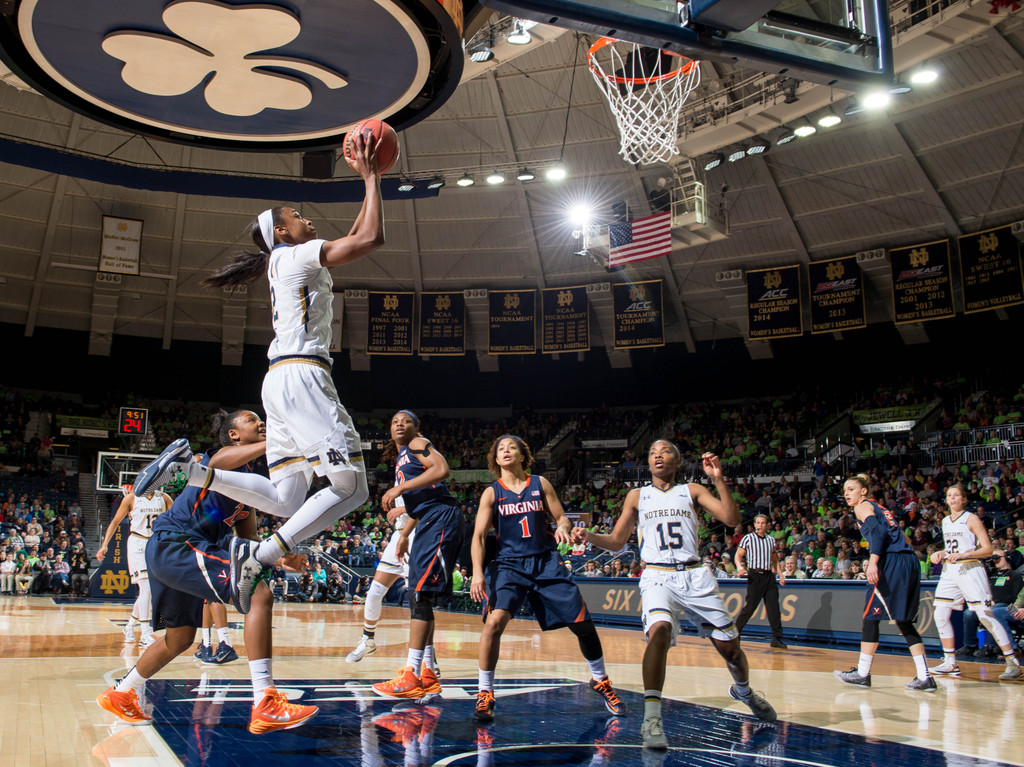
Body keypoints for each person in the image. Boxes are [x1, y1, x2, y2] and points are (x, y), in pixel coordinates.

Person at [130, 133, 384, 615]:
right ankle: (262, 555)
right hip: (305, 378)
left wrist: (366, 185)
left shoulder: (286, 258)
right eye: (293, 214)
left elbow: (355, 235)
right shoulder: (293, 256)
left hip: (280, 380)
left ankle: (191, 471)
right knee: (352, 486)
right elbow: (370, 239)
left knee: (288, 501)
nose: (303, 215)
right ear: (283, 233)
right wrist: (372, 177)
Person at [96, 410, 318, 734]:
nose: (260, 423)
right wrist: (276, 442)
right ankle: (265, 701)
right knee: (258, 592)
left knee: (180, 638)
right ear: (233, 435)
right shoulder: (221, 459)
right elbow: (213, 465)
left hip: (170, 551)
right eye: (251, 420)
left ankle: (123, 691)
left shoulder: (248, 491)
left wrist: (281, 559)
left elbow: (251, 542)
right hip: (178, 543)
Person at [574, 441, 776, 751]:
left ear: (677, 460)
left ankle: (744, 692)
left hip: (695, 575)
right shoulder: (636, 496)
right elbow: (617, 541)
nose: (657, 455)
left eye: (665, 451)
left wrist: (719, 479)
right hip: (656, 574)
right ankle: (652, 718)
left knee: (731, 651)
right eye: (652, 451)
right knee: (660, 633)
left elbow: (732, 519)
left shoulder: (692, 490)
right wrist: (588, 535)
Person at [470, 435, 625, 723]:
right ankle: (485, 692)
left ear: (522, 455)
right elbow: (479, 536)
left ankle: (600, 679)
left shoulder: (540, 483)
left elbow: (562, 517)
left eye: (511, 447)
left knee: (582, 624)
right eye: (500, 449)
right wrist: (478, 573)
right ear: (495, 458)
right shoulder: (492, 493)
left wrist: (563, 527)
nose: (506, 451)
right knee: (493, 623)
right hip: (509, 565)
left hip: (545, 562)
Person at [372, 410, 466, 701]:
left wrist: (399, 487)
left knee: (420, 593)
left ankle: (412, 674)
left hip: (441, 518)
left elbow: (441, 470)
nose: (400, 425)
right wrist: (402, 535)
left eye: (406, 421)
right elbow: (420, 503)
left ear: (417, 428)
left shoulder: (417, 444)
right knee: (419, 593)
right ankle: (427, 673)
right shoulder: (404, 456)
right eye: (395, 422)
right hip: (428, 519)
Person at [833, 474, 935, 691]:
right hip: (908, 559)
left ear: (863, 491)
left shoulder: (862, 507)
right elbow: (902, 537)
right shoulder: (880, 508)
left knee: (870, 617)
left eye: (851, 489)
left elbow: (878, 535)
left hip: (891, 562)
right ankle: (925, 676)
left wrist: (873, 562)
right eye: (844, 491)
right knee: (903, 621)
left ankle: (862, 673)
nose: (846, 494)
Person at [929, 485, 1022, 679]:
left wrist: (964, 554)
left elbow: (988, 549)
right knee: (939, 615)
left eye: (956, 495)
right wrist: (941, 552)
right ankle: (950, 662)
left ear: (964, 500)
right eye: (949, 495)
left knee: (986, 616)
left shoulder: (971, 519)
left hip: (971, 569)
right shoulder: (945, 521)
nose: (952, 498)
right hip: (950, 571)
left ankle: (1012, 662)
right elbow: (951, 548)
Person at [346, 430, 418, 663]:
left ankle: (426, 658)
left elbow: (432, 504)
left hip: (418, 535)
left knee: (417, 599)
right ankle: (368, 640)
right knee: (375, 592)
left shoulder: (423, 468)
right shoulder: (400, 470)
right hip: (399, 535)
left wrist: (403, 510)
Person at [97, 488, 172, 648]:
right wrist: (104, 545)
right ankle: (145, 633)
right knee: (146, 588)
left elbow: (175, 520)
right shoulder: (131, 498)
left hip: (155, 543)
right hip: (137, 543)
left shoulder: (164, 498)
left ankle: (129, 626)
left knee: (149, 590)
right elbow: (115, 522)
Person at [734, 513, 787, 649]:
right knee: (750, 608)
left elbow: (774, 558)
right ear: (755, 524)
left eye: (762, 523)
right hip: (755, 576)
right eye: (758, 523)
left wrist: (780, 575)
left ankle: (776, 638)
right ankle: (735, 634)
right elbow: (738, 556)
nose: (760, 525)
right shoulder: (748, 538)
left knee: (774, 608)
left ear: (766, 525)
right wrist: (740, 567)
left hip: (769, 576)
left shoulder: (770, 540)